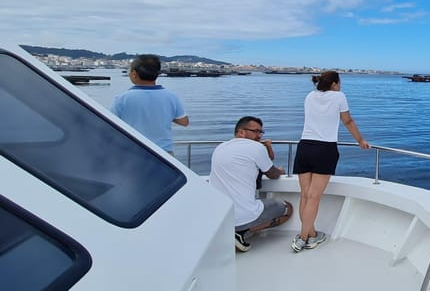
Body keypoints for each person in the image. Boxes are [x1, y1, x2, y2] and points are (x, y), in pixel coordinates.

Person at [291, 71, 370, 252]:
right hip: (324, 149)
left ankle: (311, 233)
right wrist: (360, 140)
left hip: (304, 147)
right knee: (314, 196)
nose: (340, 86)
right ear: (334, 84)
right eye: (339, 83)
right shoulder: (338, 96)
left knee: (305, 194)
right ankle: (303, 238)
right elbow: (347, 120)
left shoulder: (310, 96)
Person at [209, 116, 293, 252]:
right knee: (288, 208)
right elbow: (272, 174)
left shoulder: (220, 147)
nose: (259, 135)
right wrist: (280, 171)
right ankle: (242, 232)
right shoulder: (256, 148)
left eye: (261, 132)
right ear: (240, 132)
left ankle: (232, 232)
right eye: (255, 131)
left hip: (220, 216)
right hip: (242, 216)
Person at [110, 54, 189, 153]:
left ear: (134, 74)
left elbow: (109, 126)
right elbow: (184, 122)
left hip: (133, 152)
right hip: (164, 155)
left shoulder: (122, 99)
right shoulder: (171, 96)